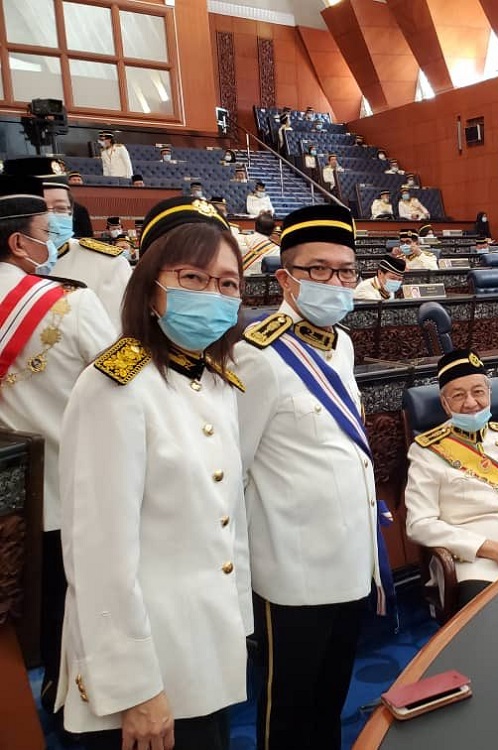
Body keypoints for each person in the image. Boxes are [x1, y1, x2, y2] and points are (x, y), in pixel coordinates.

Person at [57, 196, 252, 747]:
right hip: (145, 666)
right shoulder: (114, 387)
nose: (214, 295)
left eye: (229, 284)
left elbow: (228, 523)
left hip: (203, 646)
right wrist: (135, 687)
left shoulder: (217, 382)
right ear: (150, 286)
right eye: (194, 276)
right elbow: (98, 554)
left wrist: (237, 628)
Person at [235, 203, 384, 749]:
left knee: (331, 696)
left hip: (348, 558)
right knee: (288, 709)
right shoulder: (257, 354)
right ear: (285, 277)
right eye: (318, 269)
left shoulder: (340, 342)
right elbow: (236, 466)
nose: (336, 282)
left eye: (346, 271)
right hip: (292, 570)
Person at [0, 175, 115, 722]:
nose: (54, 238)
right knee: (75, 602)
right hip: (71, 487)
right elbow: (121, 373)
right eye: (46, 230)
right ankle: (74, 698)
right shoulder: (67, 300)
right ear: (19, 243)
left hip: (10, 498)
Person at [405, 349, 498, 606]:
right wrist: (494, 549)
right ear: (444, 404)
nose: (470, 403)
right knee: (497, 619)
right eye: (458, 395)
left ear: (489, 394)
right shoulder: (427, 451)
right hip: (476, 562)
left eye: (478, 392)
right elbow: (419, 524)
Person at [4, 157, 131, 321]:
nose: (50, 218)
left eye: (60, 208)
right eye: (40, 209)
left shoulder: (107, 264)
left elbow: (121, 335)